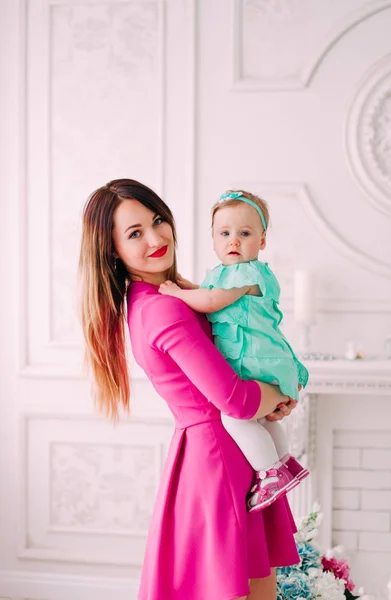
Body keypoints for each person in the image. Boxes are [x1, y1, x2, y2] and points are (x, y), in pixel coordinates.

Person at [78, 178, 300, 600]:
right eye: (135, 233)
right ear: (112, 251)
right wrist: (279, 395)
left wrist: (270, 395)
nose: (157, 237)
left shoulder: (169, 298)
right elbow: (234, 398)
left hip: (222, 454)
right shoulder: (163, 309)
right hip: (220, 459)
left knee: (254, 586)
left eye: (158, 220)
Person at [159, 190, 309, 512]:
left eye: (245, 234)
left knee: (234, 418)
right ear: (213, 239)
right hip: (261, 357)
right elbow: (208, 292)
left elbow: (211, 301)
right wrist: (187, 285)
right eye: (225, 233)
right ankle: (284, 463)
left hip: (256, 358)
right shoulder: (225, 275)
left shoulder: (249, 273)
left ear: (262, 240)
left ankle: (270, 473)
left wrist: (176, 293)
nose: (234, 242)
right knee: (264, 421)